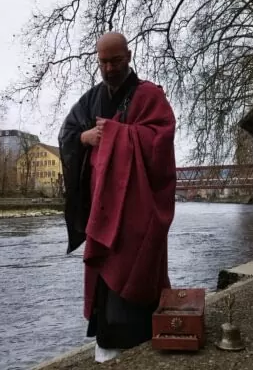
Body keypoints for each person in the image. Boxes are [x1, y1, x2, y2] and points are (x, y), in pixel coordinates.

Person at [58, 32, 176, 363]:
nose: (109, 68)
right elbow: (67, 134)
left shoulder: (149, 95)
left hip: (137, 209)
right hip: (103, 207)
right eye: (103, 62)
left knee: (137, 265)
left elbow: (160, 139)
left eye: (116, 60)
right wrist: (85, 136)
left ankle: (140, 339)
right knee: (105, 274)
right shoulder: (91, 99)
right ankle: (107, 342)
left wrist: (113, 134)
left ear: (129, 56)